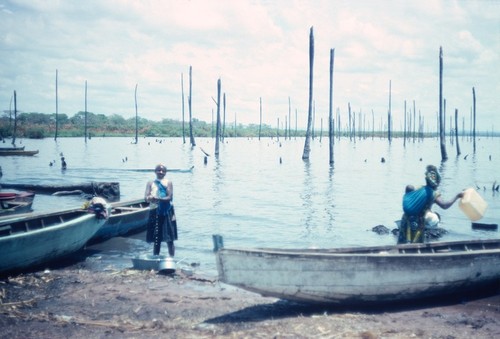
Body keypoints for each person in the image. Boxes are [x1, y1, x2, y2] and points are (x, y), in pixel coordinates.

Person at [398, 165, 463, 244]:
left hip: (405, 219)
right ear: (437, 182)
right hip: (418, 222)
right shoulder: (434, 194)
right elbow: (444, 205)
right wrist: (457, 196)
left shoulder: (420, 188)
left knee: (402, 244)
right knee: (416, 245)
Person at [144, 164, 177, 257]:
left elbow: (169, 197)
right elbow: (145, 197)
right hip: (154, 211)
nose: (161, 172)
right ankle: (155, 258)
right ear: (155, 171)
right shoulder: (150, 183)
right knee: (156, 238)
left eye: (163, 171)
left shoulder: (168, 182)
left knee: (169, 238)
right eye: (159, 170)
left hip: (166, 211)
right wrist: (149, 198)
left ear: (165, 173)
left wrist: (158, 199)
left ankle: (171, 259)